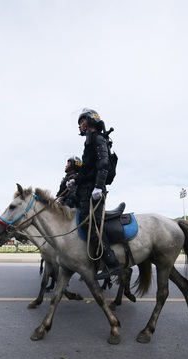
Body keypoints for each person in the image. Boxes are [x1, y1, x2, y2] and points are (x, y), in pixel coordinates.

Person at [74, 108, 122, 280]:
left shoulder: (98, 138)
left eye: (81, 122)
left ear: (90, 121)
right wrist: (76, 181)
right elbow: (88, 169)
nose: (79, 126)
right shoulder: (89, 141)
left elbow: (103, 164)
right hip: (88, 189)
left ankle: (112, 264)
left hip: (95, 190)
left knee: (89, 223)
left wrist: (98, 187)